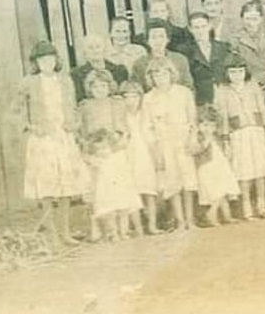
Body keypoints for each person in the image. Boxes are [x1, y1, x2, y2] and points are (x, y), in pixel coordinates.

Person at [12, 40, 88, 248]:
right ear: (36, 62)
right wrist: (30, 127)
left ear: (56, 60)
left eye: (50, 58)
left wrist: (74, 124)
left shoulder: (65, 81)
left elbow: (74, 108)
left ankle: (65, 232)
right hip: (43, 140)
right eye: (42, 59)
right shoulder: (28, 82)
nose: (47, 62)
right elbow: (15, 111)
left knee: (65, 186)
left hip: (63, 137)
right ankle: (52, 235)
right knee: (47, 186)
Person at [79, 70, 143, 241]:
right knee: (103, 194)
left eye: (103, 86)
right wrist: (91, 152)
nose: (100, 90)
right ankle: (109, 231)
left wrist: (117, 143)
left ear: (109, 87)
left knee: (120, 192)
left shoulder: (116, 104)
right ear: (90, 88)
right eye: (95, 87)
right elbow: (83, 133)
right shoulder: (85, 106)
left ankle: (124, 230)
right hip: (98, 155)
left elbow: (123, 129)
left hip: (115, 153)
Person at [141, 57, 198, 231]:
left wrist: (192, 138)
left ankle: (190, 219)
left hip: (183, 140)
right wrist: (155, 148)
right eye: (156, 75)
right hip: (164, 144)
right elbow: (147, 127)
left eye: (164, 74)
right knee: (172, 183)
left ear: (171, 74)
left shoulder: (183, 93)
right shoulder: (148, 98)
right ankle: (180, 221)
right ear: (151, 77)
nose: (161, 78)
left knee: (188, 181)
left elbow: (192, 119)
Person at [215, 56, 265, 219]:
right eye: (233, 72)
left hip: (256, 131)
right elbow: (223, 115)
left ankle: (261, 206)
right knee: (244, 172)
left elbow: (262, 108)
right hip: (238, 135)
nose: (237, 75)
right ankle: (246, 207)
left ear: (245, 71)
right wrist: (225, 138)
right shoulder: (222, 90)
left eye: (240, 71)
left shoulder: (253, 86)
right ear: (227, 73)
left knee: (260, 170)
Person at [120, 80, 162, 235]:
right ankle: (138, 228)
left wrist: (156, 156)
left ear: (140, 98)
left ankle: (152, 225)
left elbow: (152, 138)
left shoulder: (145, 114)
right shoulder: (121, 116)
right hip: (128, 154)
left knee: (149, 191)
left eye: (135, 97)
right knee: (133, 192)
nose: (131, 101)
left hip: (145, 154)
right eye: (127, 97)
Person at [189, 104, 240, 225]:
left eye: (212, 125)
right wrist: (204, 140)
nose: (208, 128)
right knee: (217, 192)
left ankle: (227, 216)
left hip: (220, 166)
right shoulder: (197, 137)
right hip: (207, 167)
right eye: (205, 125)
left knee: (224, 190)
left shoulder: (216, 137)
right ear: (198, 125)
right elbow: (194, 150)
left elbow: (221, 151)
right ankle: (211, 214)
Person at [178, 11, 231, 106]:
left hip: (225, 97)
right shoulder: (184, 51)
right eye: (196, 27)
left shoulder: (223, 47)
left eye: (203, 26)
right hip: (200, 99)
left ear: (209, 26)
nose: (200, 31)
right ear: (190, 29)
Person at [131, 19, 194, 92]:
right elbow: (137, 91)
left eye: (161, 36)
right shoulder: (139, 64)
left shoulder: (180, 60)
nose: (158, 41)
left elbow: (189, 86)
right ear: (147, 41)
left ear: (168, 39)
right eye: (153, 37)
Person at [71, 33, 128, 103]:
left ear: (105, 49)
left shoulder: (119, 70)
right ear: (84, 52)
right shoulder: (76, 74)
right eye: (90, 48)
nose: (95, 51)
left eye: (98, 47)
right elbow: (79, 99)